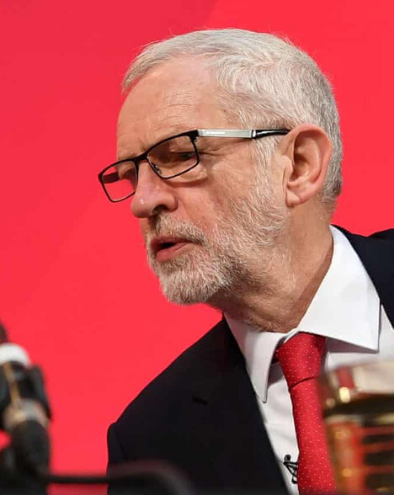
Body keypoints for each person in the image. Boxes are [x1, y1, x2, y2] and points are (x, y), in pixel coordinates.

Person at [103, 29, 394, 494]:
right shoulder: (150, 443)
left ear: (298, 165)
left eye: (179, 156)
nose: (143, 202)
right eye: (131, 175)